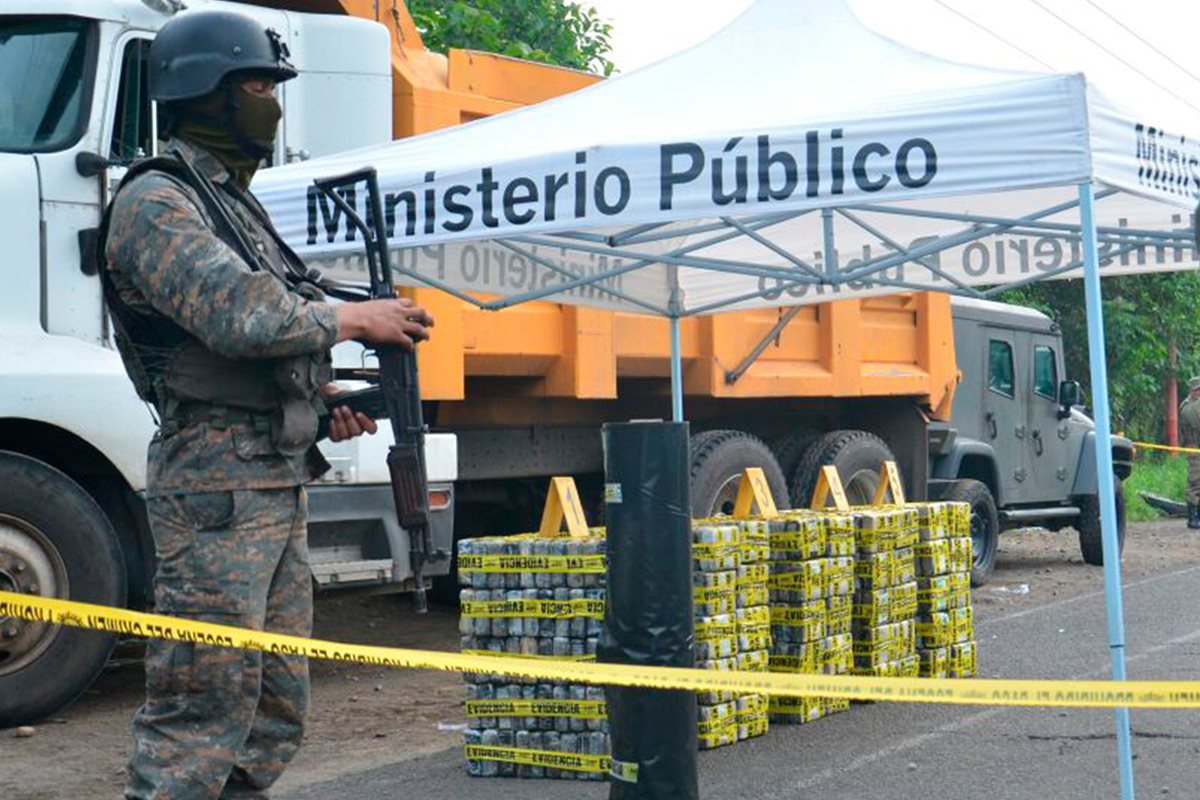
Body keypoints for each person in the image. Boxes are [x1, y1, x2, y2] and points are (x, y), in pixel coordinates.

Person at [99, 10, 433, 799]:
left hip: (270, 474)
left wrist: (319, 401)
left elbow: (271, 333)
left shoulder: (230, 201)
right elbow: (238, 313)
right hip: (214, 485)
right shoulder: (156, 199)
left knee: (276, 701)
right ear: (202, 94)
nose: (270, 102)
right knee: (200, 702)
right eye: (255, 85)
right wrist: (358, 318)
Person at [1180, 377, 1200, 529]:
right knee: (1195, 482)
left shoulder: (1188, 405)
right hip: (1195, 447)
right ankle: (1193, 517)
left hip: (1192, 446)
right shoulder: (1191, 407)